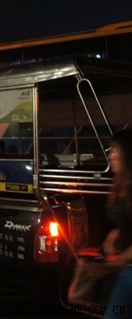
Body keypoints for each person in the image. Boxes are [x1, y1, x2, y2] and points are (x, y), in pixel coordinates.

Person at [102, 130, 132, 317]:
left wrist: (112, 265)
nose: (110, 155)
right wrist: (115, 235)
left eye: (114, 150)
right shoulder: (120, 182)